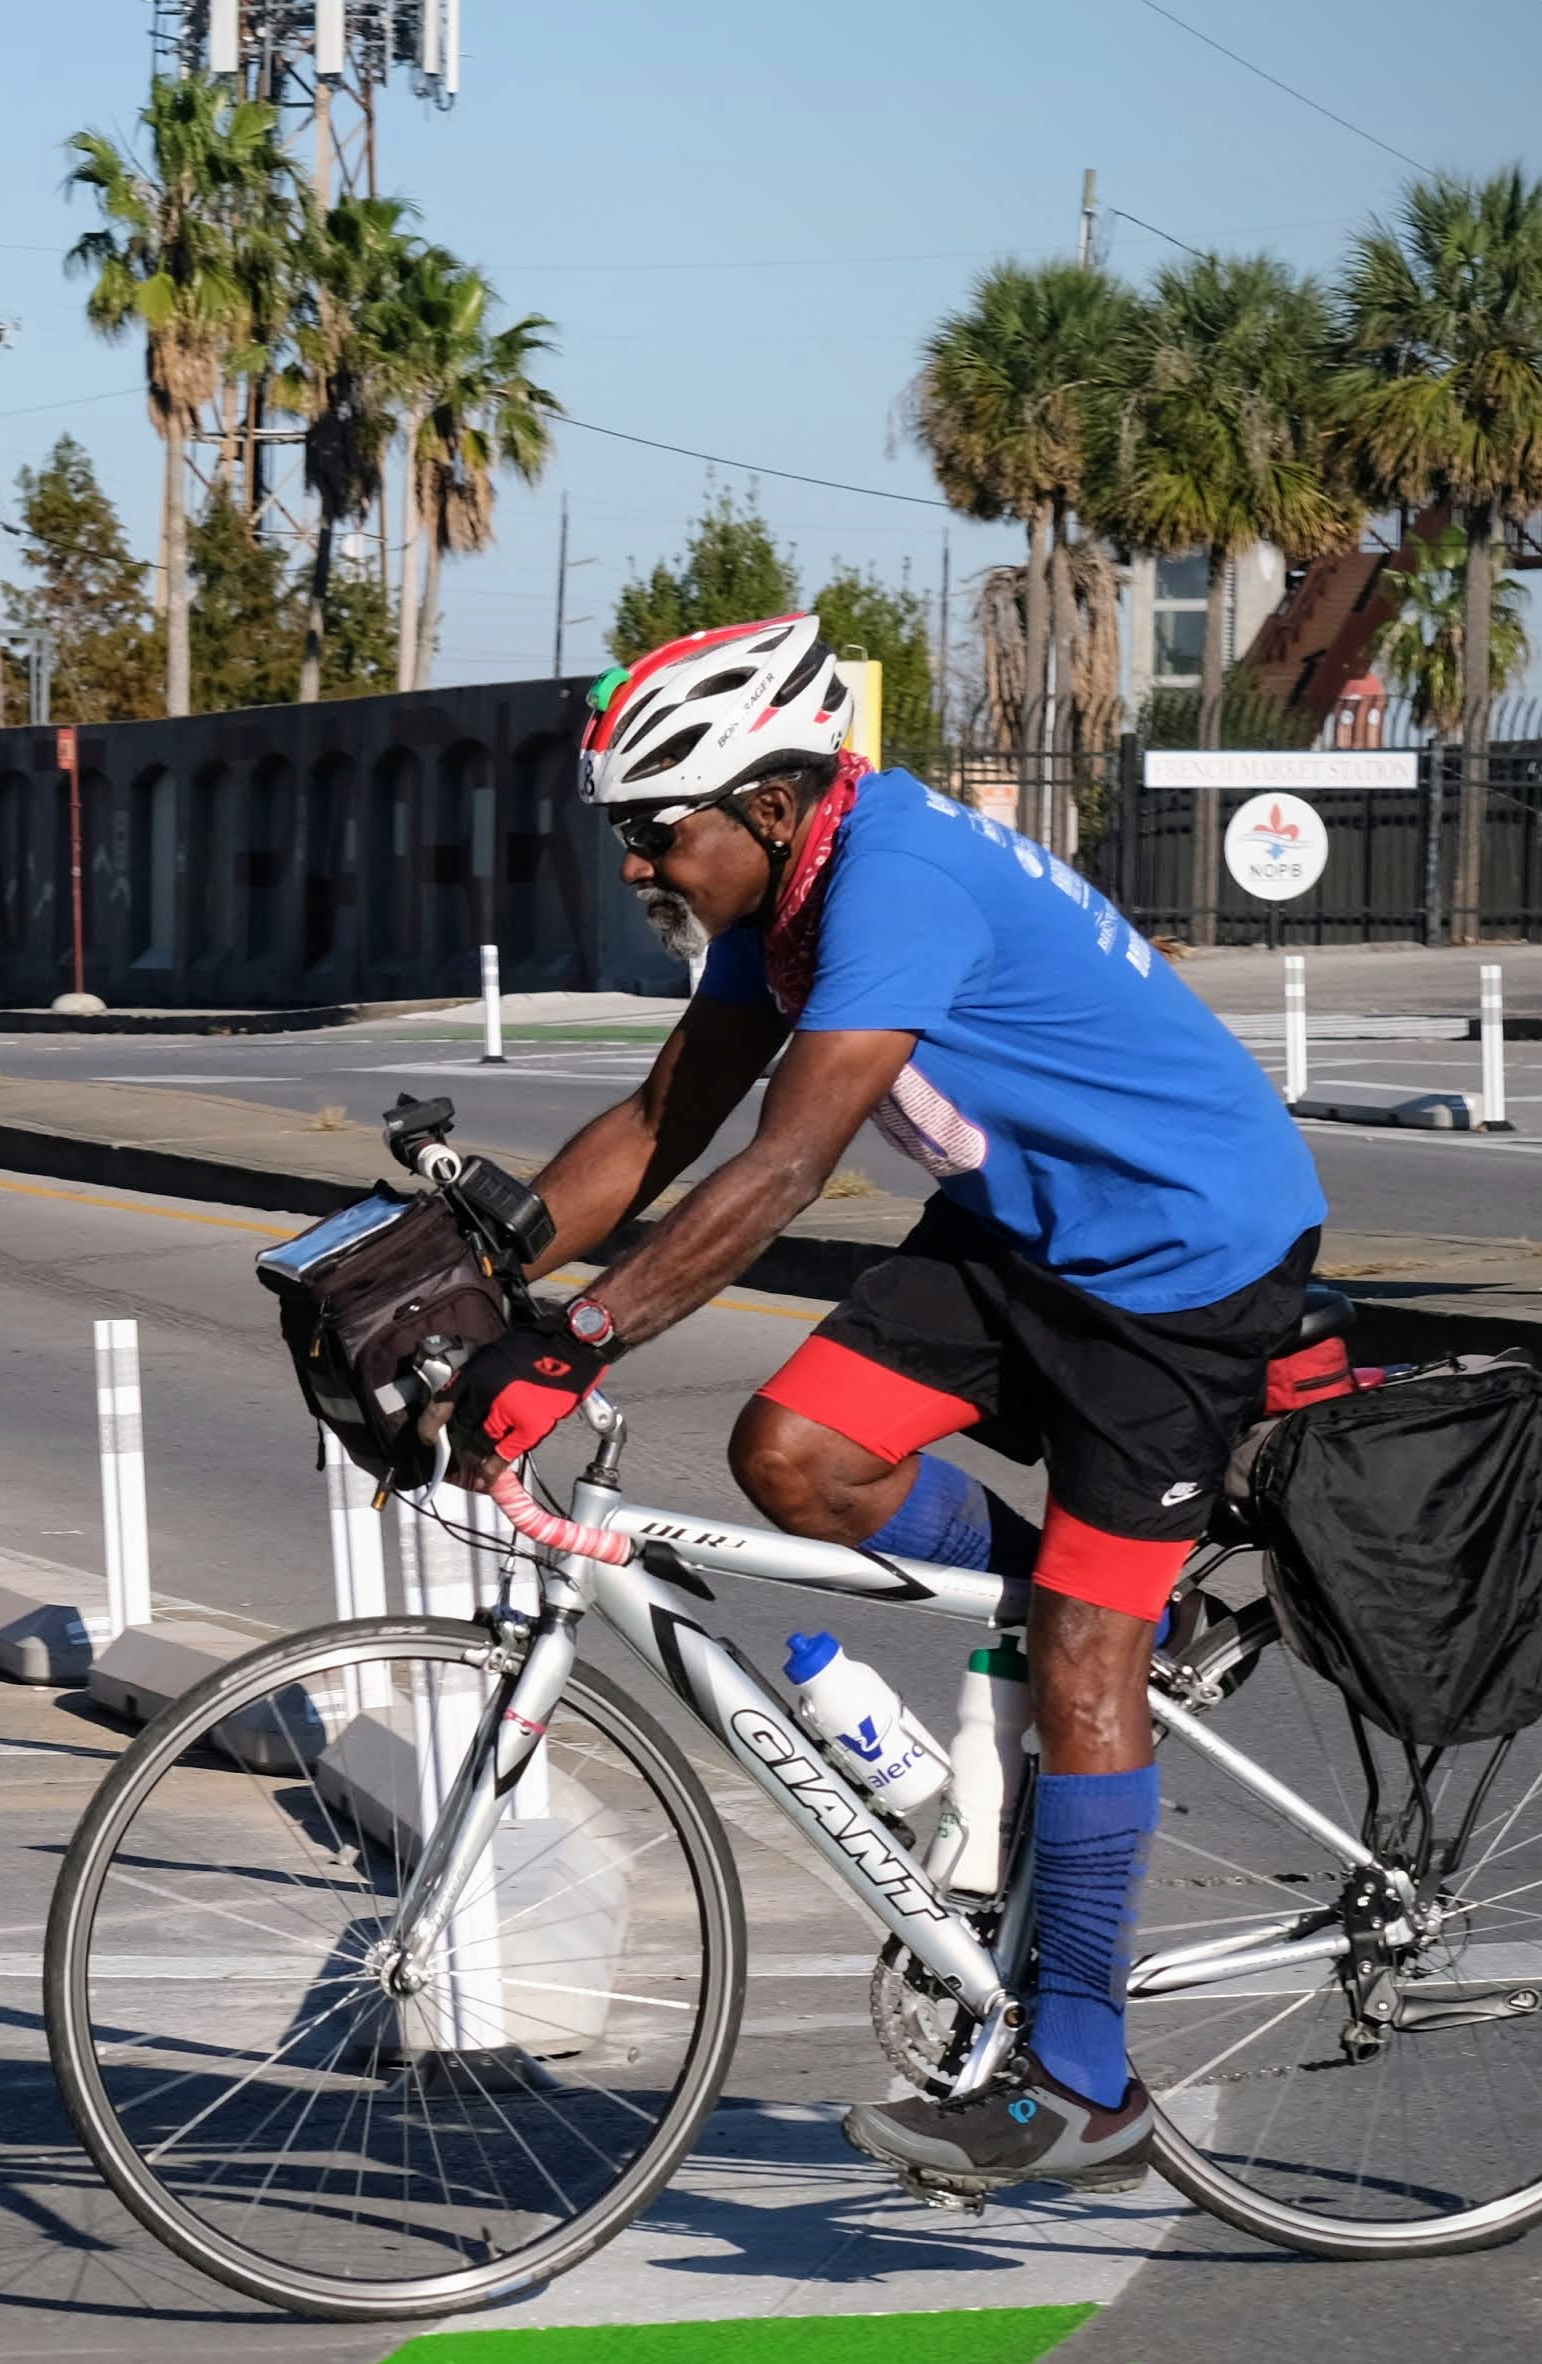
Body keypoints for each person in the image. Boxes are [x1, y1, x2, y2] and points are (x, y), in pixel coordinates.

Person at [435, 610, 1328, 2193]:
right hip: (1024, 1231)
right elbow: (658, 1120)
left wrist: (572, 1341)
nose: (641, 862)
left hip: (1181, 1259)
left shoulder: (893, 885)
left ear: (768, 803)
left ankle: (1083, 2082)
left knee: (1080, 1640)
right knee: (794, 1452)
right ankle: (1081, 1612)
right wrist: (470, 1257)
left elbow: (779, 1167)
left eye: (658, 831)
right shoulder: (785, 900)